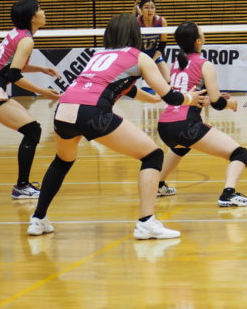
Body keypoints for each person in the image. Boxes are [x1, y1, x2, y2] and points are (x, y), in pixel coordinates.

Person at [26, 14, 206, 239]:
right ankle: (146, 222)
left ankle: (38, 219)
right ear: (135, 34)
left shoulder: (98, 55)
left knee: (62, 161)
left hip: (64, 110)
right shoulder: (139, 57)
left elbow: (124, 86)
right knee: (152, 156)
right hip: (92, 111)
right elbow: (171, 96)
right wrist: (189, 98)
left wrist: (151, 99)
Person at [156, 22, 247, 207]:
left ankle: (158, 185)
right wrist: (231, 104)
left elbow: (192, 95)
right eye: (201, 31)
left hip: (164, 125)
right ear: (198, 41)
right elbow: (218, 103)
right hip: (185, 124)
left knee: (180, 147)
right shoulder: (204, 64)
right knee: (240, 154)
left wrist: (211, 98)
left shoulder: (176, 63)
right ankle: (228, 194)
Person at [0, 0, 60, 199]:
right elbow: (14, 75)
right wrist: (44, 92)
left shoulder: (17, 34)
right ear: (32, 17)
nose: (44, 12)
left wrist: (42, 69)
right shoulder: (26, 40)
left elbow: (14, 66)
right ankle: (22, 187)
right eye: (40, 9)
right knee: (32, 130)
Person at [137, 0, 170, 82]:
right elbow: (132, 45)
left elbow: (162, 44)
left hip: (154, 54)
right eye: (146, 7)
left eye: (152, 7)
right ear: (141, 10)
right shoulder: (135, 22)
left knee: (167, 78)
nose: (150, 10)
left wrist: (153, 60)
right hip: (139, 55)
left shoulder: (161, 21)